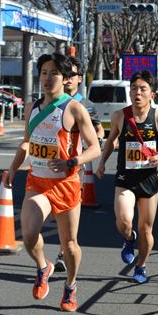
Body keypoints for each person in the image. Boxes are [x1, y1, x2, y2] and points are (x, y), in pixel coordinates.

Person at [7, 52, 100, 312]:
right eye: (44, 73)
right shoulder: (32, 107)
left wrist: (72, 162)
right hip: (37, 182)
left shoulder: (73, 108)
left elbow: (94, 148)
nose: (48, 78)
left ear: (65, 78)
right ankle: (43, 266)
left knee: (69, 245)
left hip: (66, 184)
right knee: (27, 235)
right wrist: (13, 168)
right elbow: (27, 142)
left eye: (54, 73)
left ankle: (70, 285)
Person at [96, 70, 158, 284]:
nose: (137, 93)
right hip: (125, 177)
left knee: (146, 229)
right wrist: (102, 162)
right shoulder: (120, 116)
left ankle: (141, 266)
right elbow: (111, 142)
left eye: (143, 89)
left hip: (149, 180)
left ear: (152, 94)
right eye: (134, 89)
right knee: (123, 220)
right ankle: (128, 238)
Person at [53, 55, 104, 273]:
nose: (67, 79)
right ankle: (65, 247)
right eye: (64, 74)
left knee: (68, 211)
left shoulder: (86, 105)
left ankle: (65, 251)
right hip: (52, 167)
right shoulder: (53, 100)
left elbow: (99, 129)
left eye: (71, 74)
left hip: (76, 166)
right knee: (55, 213)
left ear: (79, 78)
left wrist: (95, 143)